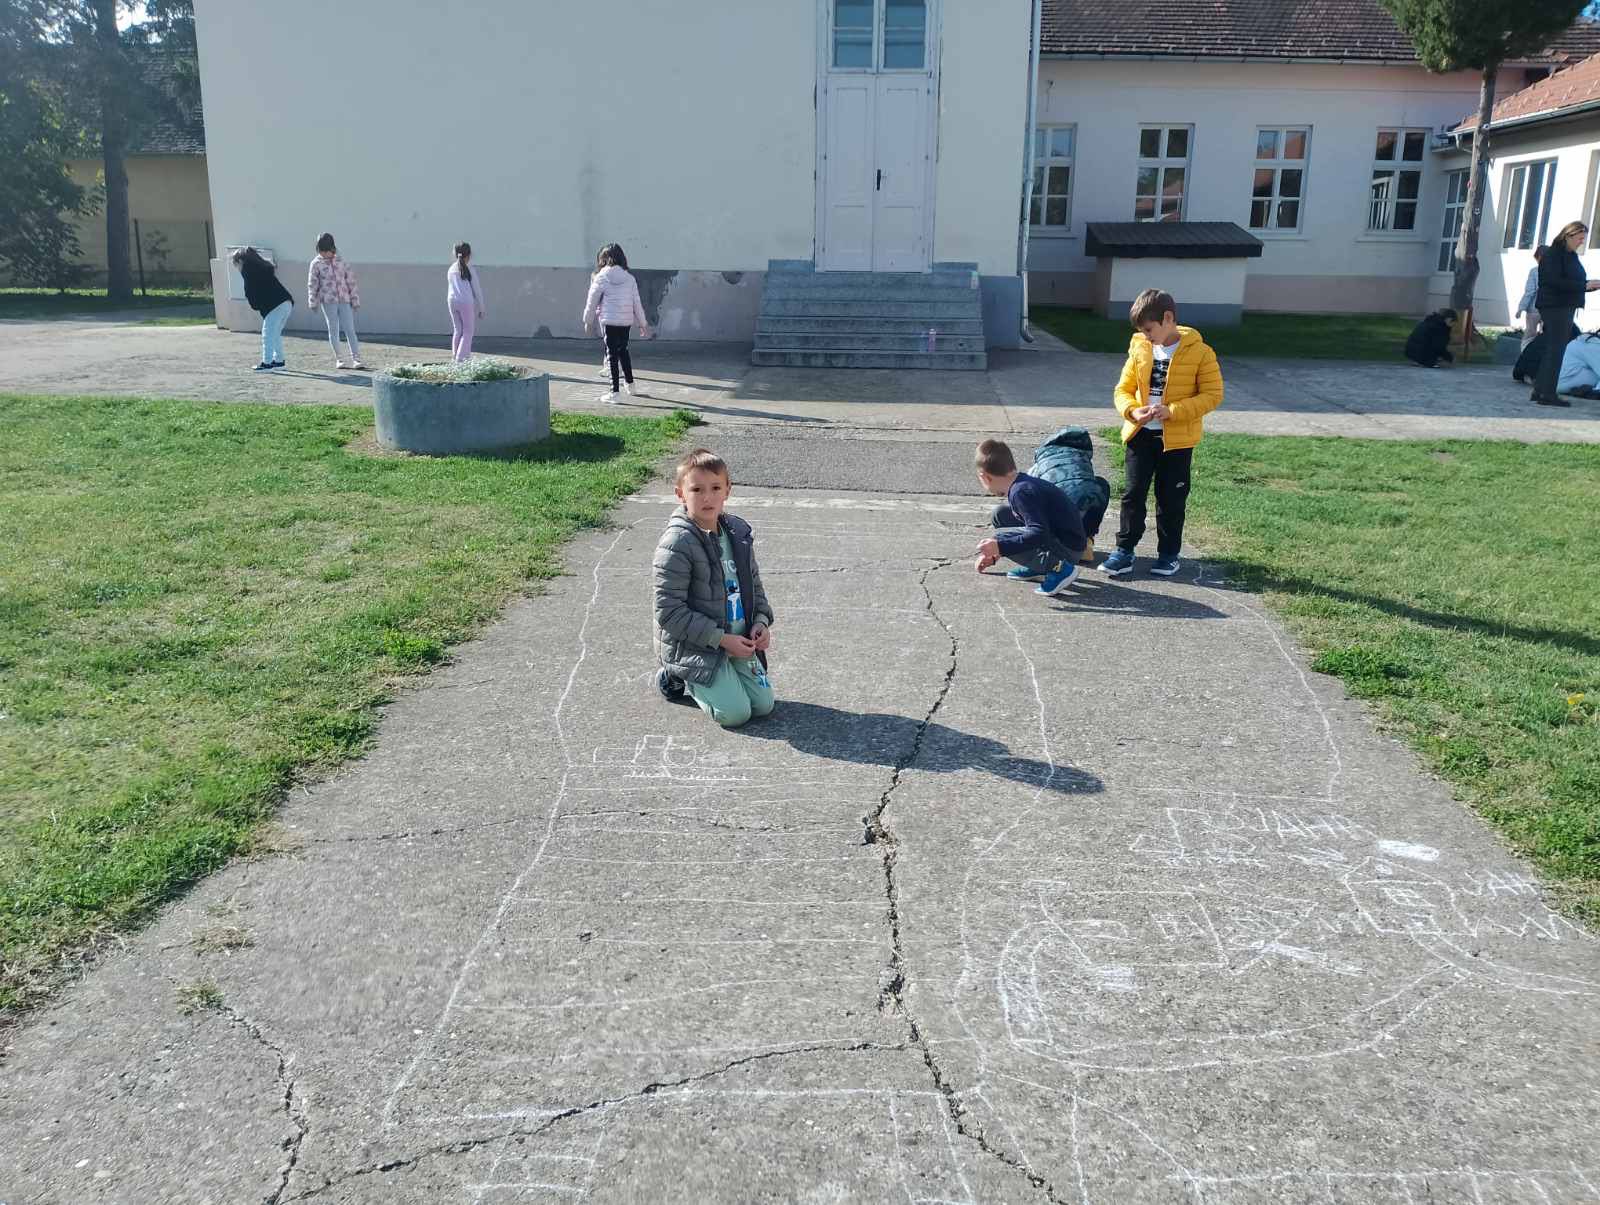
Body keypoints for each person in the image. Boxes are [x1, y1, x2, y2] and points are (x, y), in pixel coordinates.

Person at [1102, 288, 1224, 578]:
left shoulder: (1201, 352)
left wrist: (1174, 411)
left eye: (1148, 329)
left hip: (1177, 442)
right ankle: (1124, 550)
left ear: (1168, 318)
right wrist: (1133, 411)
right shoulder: (1139, 348)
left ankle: (1169, 555)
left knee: (1171, 499)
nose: (1145, 336)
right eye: (1141, 331)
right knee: (1133, 494)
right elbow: (1122, 390)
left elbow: (1213, 395)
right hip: (1141, 436)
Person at [652, 448, 775, 728]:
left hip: (738, 642)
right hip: (698, 645)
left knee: (763, 705)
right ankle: (676, 674)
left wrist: (760, 622)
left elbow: (755, 587)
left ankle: (724, 673)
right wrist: (720, 639)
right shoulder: (677, 543)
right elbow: (669, 612)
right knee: (736, 714)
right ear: (680, 494)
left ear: (727, 490)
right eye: (697, 489)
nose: (707, 497)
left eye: (715, 488)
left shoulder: (737, 534)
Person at [973, 438, 1088, 598]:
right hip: (1066, 539)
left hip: (1069, 550)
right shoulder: (1022, 483)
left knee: (1000, 539)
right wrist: (996, 552)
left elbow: (1039, 533)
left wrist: (1000, 547)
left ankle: (1058, 568)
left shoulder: (1021, 493)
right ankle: (1038, 566)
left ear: (985, 477)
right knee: (1001, 515)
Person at [1532, 220, 1600, 407]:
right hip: (1555, 307)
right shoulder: (1553, 254)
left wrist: (1588, 286)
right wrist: (1583, 285)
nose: (1581, 242)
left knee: (1552, 349)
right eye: (1579, 238)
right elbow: (1553, 281)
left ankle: (1540, 390)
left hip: (1564, 306)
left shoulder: (1570, 256)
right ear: (1568, 236)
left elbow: (1570, 281)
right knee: (1556, 351)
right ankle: (1547, 394)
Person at [582, 243, 651, 403]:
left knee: (611, 355)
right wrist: (643, 324)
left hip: (609, 321)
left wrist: (588, 321)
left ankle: (614, 393)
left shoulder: (601, 277)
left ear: (603, 259)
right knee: (623, 351)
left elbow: (592, 301)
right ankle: (631, 385)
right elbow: (636, 302)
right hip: (626, 321)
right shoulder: (630, 278)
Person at [307, 232, 365, 370]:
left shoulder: (341, 261)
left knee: (350, 329)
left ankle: (356, 358)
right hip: (328, 302)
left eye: (326, 250)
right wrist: (313, 301)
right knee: (333, 329)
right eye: (321, 251)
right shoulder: (316, 264)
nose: (324, 254)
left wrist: (355, 300)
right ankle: (339, 359)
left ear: (332, 248)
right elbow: (312, 284)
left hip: (344, 300)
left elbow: (350, 280)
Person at [231, 247, 293, 371]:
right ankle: (279, 361)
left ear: (241, 262)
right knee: (275, 334)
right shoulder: (262, 267)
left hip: (274, 306)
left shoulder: (248, 271)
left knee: (267, 335)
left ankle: (267, 363)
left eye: (236, 264)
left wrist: (257, 305)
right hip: (286, 302)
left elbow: (251, 297)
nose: (236, 268)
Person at [447, 242, 486, 363]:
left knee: (458, 329)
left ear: (455, 254)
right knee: (468, 331)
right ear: (469, 255)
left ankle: (455, 356)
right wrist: (482, 308)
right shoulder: (470, 269)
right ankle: (461, 360)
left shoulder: (451, 269)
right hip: (466, 302)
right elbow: (477, 290)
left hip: (452, 301)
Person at [1515, 246, 1545, 348]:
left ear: (1539, 257)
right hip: (1549, 309)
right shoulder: (1557, 272)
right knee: (1546, 336)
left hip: (1534, 309)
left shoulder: (1534, 271)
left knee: (1529, 335)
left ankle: (1524, 353)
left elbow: (1530, 291)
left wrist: (1521, 308)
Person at [1558, 331, 1600, 398]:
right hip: (1567, 380)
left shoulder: (1584, 341)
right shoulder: (1593, 344)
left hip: (1561, 381)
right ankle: (1594, 391)